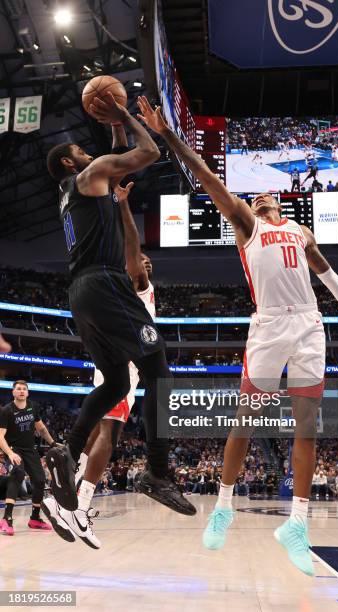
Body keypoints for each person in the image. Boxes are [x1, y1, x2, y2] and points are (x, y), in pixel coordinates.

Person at [136, 96, 338, 576]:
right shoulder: (245, 225)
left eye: (270, 195)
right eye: (257, 195)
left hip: (310, 322)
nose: (263, 197)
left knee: (307, 426)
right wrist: (167, 135)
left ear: (280, 203)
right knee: (246, 420)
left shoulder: (301, 231)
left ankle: (298, 524)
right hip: (269, 325)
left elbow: (327, 273)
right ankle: (223, 509)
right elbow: (205, 175)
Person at [45, 92, 195, 518]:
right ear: (72, 163)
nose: (88, 152)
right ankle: (158, 473)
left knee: (113, 383)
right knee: (158, 371)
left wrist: (113, 126)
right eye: (80, 150)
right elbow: (148, 151)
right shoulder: (91, 173)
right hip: (106, 284)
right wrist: (127, 114)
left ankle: (67, 452)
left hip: (81, 293)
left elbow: (111, 159)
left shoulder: (73, 189)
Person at [43, 247, 159, 549]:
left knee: (99, 431)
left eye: (148, 261)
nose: (144, 263)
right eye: (139, 259)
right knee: (109, 432)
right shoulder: (119, 285)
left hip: (126, 370)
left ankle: (58, 501)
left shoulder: (143, 289)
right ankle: (80, 508)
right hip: (120, 366)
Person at [0, 380, 55, 535]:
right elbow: (0, 436)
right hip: (14, 449)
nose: (22, 391)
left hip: (30, 450)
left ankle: (35, 518)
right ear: (13, 392)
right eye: (18, 389)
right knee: (17, 474)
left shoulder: (33, 407)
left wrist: (52, 443)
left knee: (40, 480)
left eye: (24, 389)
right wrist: (10, 453)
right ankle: (6, 518)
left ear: (28, 392)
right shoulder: (6, 411)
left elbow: (42, 428)